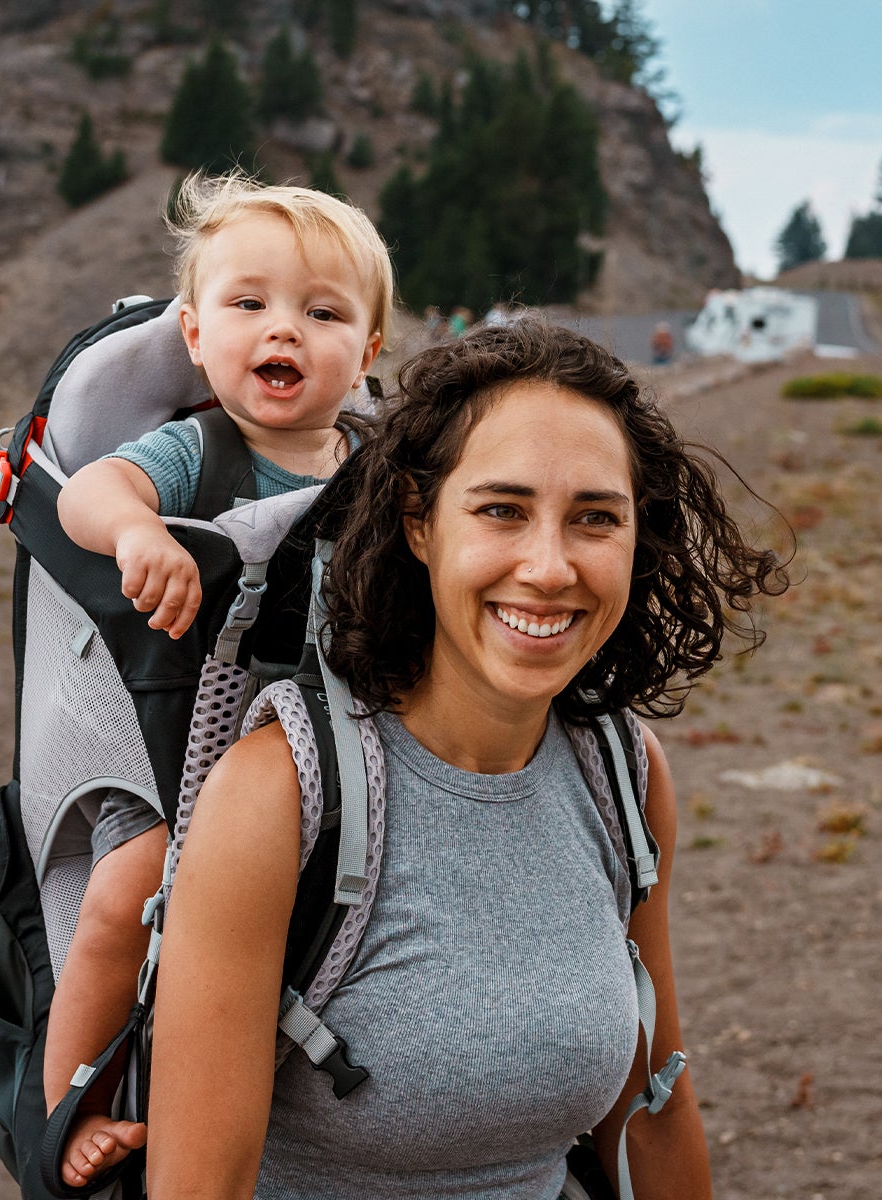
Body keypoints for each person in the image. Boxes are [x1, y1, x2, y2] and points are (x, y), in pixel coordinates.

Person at [149, 317, 788, 1198]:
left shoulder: (624, 776)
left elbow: (652, 1106)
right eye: (502, 510)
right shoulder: (280, 793)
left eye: (596, 518)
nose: (551, 567)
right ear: (419, 522)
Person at [46, 172, 395, 1190]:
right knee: (129, 890)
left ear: (367, 353)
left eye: (322, 312)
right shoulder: (201, 451)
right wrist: (137, 530)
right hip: (177, 757)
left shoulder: (379, 465)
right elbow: (91, 492)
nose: (283, 329)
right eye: (249, 305)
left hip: (328, 752)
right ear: (196, 335)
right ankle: (72, 1100)